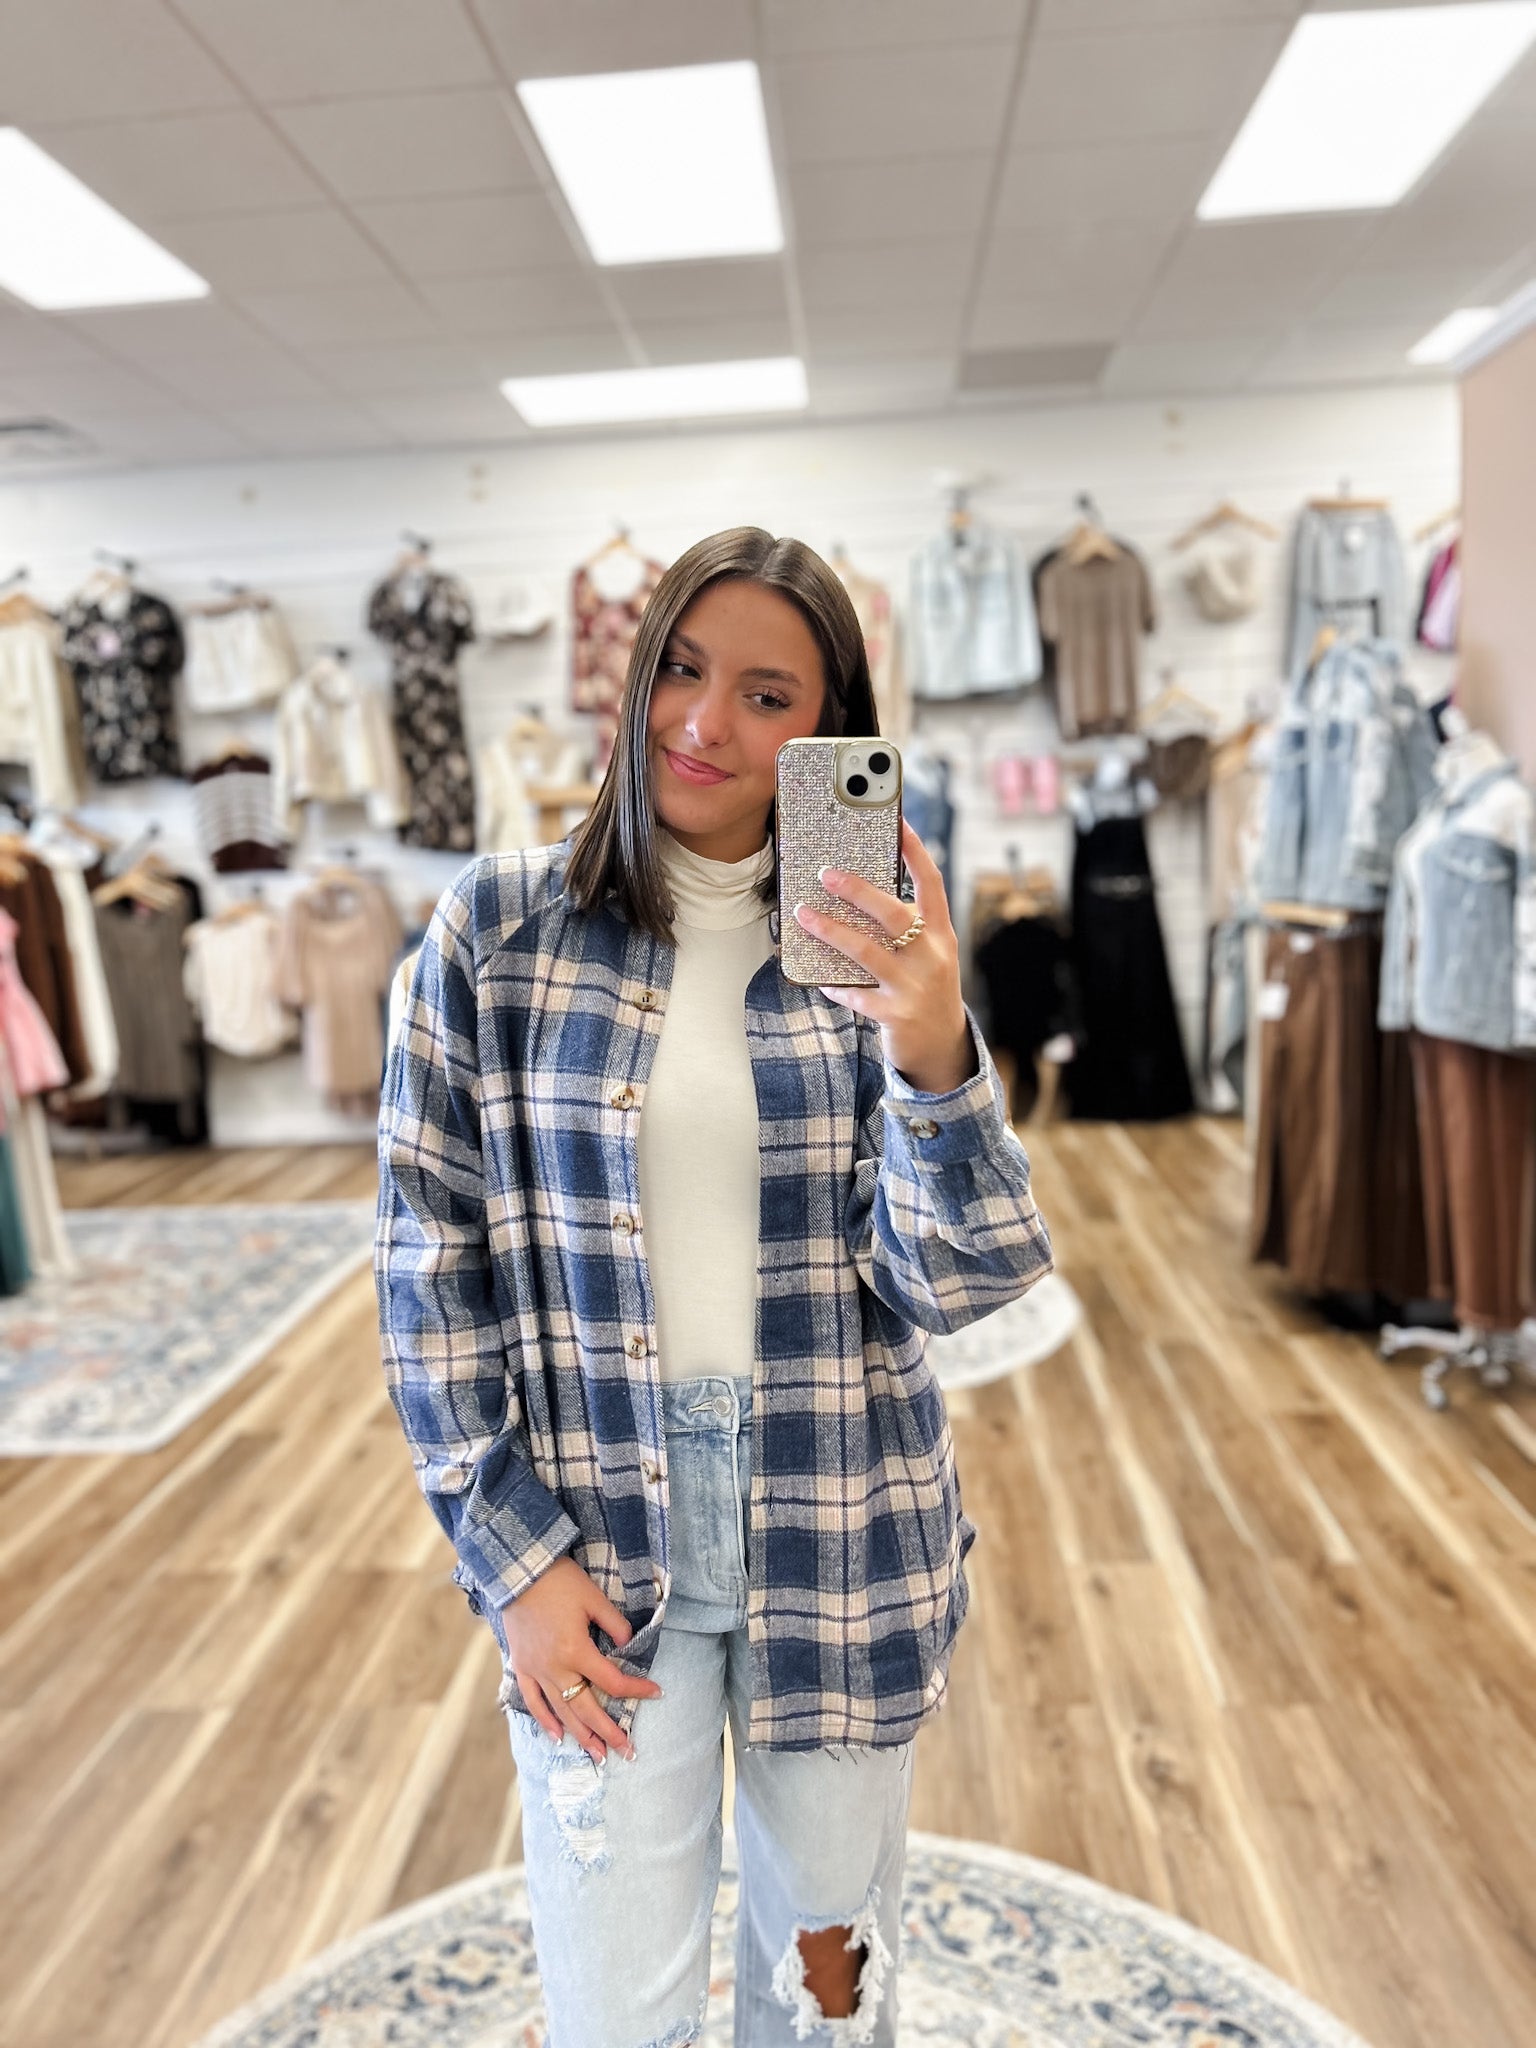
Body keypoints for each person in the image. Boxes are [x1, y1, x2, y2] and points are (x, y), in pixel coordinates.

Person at [376, 527, 1052, 2046]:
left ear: (833, 733)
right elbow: (428, 1263)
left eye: (767, 695)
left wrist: (933, 1047)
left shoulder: (875, 945)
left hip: (845, 1527)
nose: (702, 724)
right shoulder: (494, 935)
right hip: (593, 1532)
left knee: (824, 1998)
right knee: (615, 2008)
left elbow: (960, 1276)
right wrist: (509, 1560)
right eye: (680, 670)